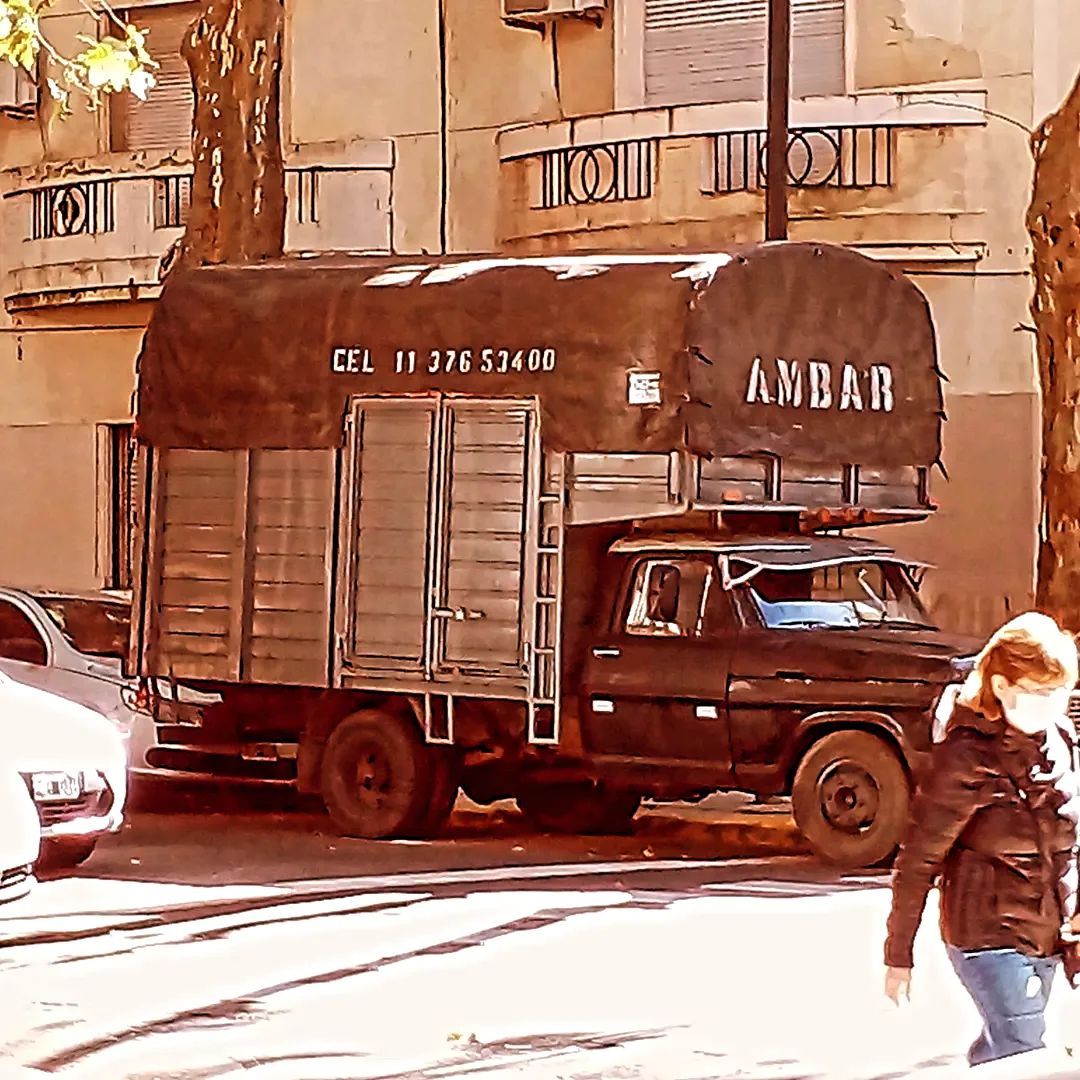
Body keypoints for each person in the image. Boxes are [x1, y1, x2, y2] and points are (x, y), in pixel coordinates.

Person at [884, 611, 1080, 1068]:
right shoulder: (965, 756)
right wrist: (899, 954)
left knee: (1004, 1051)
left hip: (1050, 931)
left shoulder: (1060, 739)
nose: (1052, 703)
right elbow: (918, 859)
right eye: (1039, 691)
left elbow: (1068, 842)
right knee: (1024, 1048)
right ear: (1001, 686)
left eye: (1061, 691)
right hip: (988, 934)